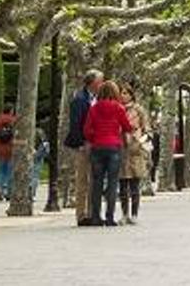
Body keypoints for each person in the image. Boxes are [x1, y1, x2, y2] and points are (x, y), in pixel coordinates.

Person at [82, 80, 132, 226]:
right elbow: (127, 127)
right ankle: (110, 217)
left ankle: (96, 217)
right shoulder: (119, 108)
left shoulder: (94, 108)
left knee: (96, 183)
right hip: (114, 147)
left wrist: (94, 138)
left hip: (97, 147)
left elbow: (86, 130)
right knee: (112, 183)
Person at [64, 69, 103, 226]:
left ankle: (93, 212)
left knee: (95, 179)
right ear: (92, 82)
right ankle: (81, 215)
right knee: (82, 180)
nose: (102, 83)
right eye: (100, 81)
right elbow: (75, 123)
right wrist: (81, 143)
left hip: (97, 144)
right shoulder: (79, 99)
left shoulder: (97, 98)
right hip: (84, 145)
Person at [118, 84, 150, 224]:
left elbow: (147, 129)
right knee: (123, 185)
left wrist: (141, 140)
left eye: (126, 93)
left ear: (131, 95)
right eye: (122, 93)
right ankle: (124, 214)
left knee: (135, 185)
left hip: (136, 149)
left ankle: (135, 214)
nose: (123, 95)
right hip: (121, 149)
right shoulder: (117, 109)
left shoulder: (139, 110)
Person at [0, 103, 17, 202]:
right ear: (11, 111)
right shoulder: (14, 121)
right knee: (10, 171)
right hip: (11, 148)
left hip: (0, 149)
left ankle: (0, 189)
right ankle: (8, 191)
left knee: (1, 171)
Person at [31, 128, 49, 201]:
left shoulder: (33, 131)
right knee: (35, 175)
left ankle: (30, 192)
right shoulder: (41, 132)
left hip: (31, 154)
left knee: (31, 174)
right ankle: (32, 193)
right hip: (38, 156)